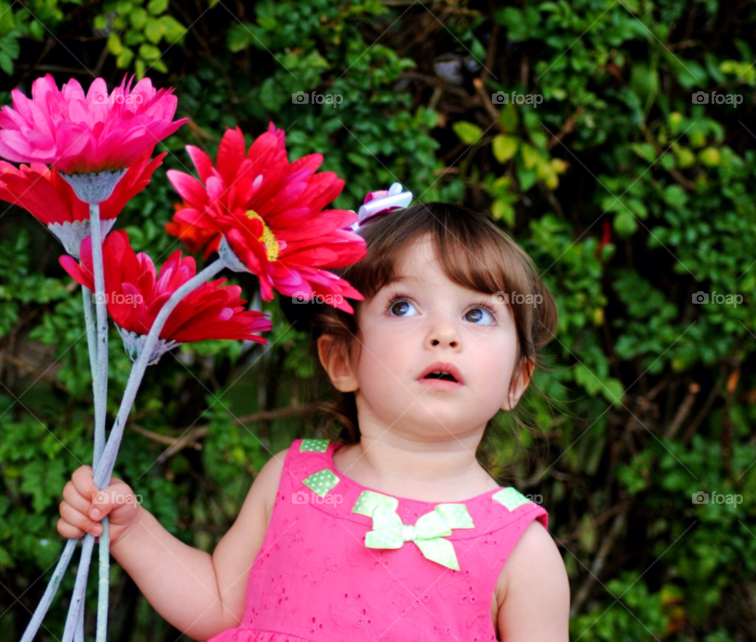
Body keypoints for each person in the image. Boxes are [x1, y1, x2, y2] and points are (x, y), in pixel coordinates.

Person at [57, 196, 570, 641]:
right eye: (402, 306)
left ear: (515, 382)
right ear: (343, 360)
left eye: (477, 314)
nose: (443, 333)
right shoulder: (295, 479)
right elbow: (219, 605)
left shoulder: (521, 551)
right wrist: (132, 531)